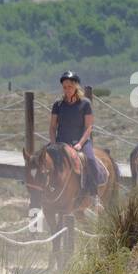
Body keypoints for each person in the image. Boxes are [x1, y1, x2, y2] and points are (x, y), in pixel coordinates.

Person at [50, 70, 107, 198]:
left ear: (76, 86)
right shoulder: (57, 105)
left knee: (91, 160)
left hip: (80, 142)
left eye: (70, 86)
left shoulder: (85, 104)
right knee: (44, 160)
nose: (67, 89)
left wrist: (80, 144)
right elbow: (53, 127)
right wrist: (53, 144)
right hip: (60, 142)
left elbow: (88, 127)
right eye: (65, 87)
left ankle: (94, 193)